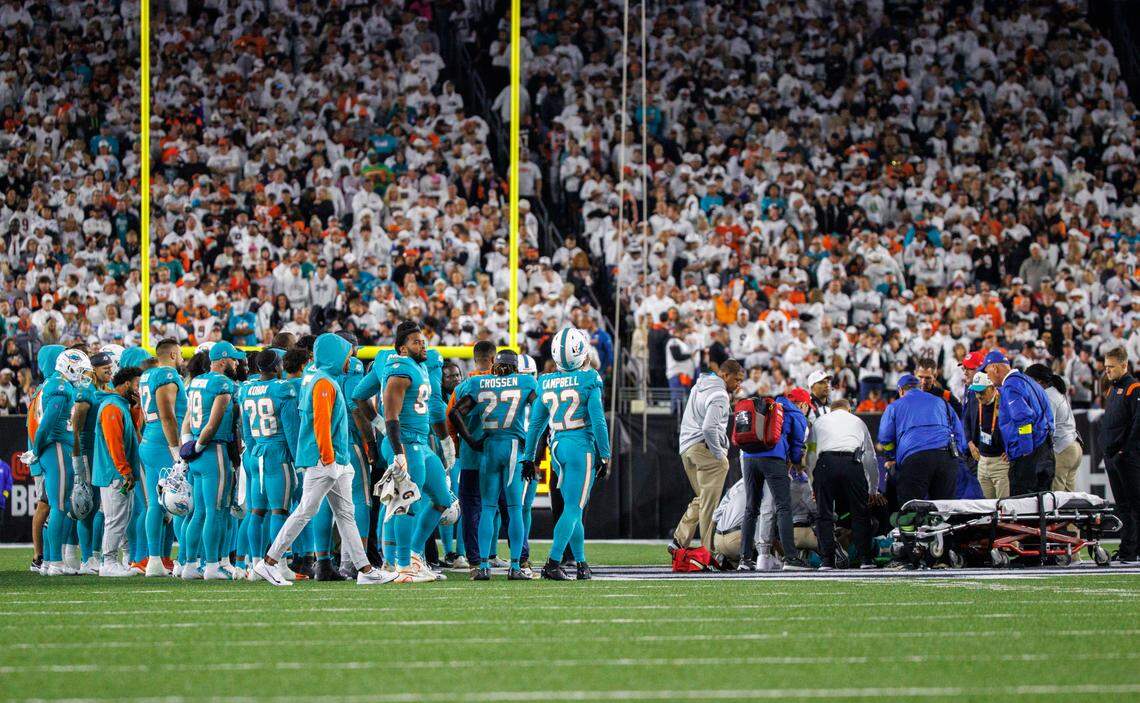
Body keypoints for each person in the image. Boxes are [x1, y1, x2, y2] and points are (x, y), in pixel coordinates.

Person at [253, 333, 393, 586]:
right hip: (325, 459)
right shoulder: (323, 382)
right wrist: (328, 458)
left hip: (334, 458)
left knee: (345, 514)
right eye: (347, 356)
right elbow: (321, 422)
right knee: (306, 510)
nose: (350, 361)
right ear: (334, 356)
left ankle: (365, 569)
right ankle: (269, 562)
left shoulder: (320, 378)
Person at [522, 327, 611, 581]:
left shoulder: (545, 380)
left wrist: (529, 457)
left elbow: (536, 425)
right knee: (573, 508)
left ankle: (581, 562)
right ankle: (553, 562)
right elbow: (598, 420)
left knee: (572, 505)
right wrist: (605, 454)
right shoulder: (590, 378)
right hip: (580, 445)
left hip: (557, 445)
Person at [449, 349, 539, 580]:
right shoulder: (526, 381)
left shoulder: (479, 382)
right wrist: (532, 448)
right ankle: (517, 566)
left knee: (488, 509)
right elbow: (539, 410)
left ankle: (484, 567)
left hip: (488, 447)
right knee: (514, 509)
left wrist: (471, 440)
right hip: (512, 448)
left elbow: (456, 412)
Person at [378, 321, 452, 583]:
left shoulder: (420, 366)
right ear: (402, 348)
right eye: (416, 342)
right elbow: (390, 412)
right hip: (406, 443)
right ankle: (401, 566)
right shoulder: (400, 368)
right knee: (406, 502)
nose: (423, 345)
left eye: (423, 341)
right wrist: (398, 451)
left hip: (421, 442)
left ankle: (413, 555)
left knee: (444, 499)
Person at [180, 341, 245, 581]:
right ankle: (211, 565)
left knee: (198, 513)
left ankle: (188, 564)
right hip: (213, 451)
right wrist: (198, 446)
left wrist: (188, 445)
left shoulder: (196, 382)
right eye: (233, 359)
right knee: (215, 511)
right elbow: (213, 423)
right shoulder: (223, 384)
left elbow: (187, 419)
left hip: (197, 454)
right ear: (222, 360)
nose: (236, 363)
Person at [23, 347, 89, 576]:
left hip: (56, 447)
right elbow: (47, 424)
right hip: (57, 447)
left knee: (59, 506)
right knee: (59, 507)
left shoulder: (54, 385)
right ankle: (54, 562)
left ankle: (52, 562)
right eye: (80, 370)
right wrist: (38, 449)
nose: (82, 375)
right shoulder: (60, 387)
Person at [670, 359, 744, 554]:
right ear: (725, 375)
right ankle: (709, 552)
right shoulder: (720, 394)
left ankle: (679, 540)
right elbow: (709, 427)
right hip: (703, 447)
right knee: (710, 503)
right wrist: (719, 455)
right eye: (736, 379)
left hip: (687, 448)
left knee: (703, 498)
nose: (739, 385)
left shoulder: (700, 384)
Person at [240, 350, 300, 581]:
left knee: (256, 511)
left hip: (256, 452)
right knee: (279, 511)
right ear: (276, 367)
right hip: (277, 453)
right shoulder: (283, 389)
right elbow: (291, 431)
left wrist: (255, 449)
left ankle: (256, 565)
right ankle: (279, 563)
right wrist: (298, 460)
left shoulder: (246, 389)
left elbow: (246, 430)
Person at [738, 387, 811, 571]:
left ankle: (745, 559)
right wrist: (795, 462)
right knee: (783, 507)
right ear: (802, 404)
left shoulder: (769, 405)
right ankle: (791, 559)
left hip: (749, 457)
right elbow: (796, 448)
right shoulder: (796, 414)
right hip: (773, 459)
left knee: (751, 507)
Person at [441, 341, 495, 572]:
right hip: (498, 456)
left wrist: (459, 444)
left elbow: (450, 417)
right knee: (499, 507)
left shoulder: (466, 387)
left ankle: (475, 558)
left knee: (468, 506)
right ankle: (516, 561)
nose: (454, 379)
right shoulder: (504, 383)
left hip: (469, 454)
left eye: (456, 375)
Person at [809, 399, 880, 569]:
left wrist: (814, 484)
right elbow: (870, 457)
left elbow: (810, 455)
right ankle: (865, 560)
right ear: (849, 410)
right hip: (852, 463)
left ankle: (827, 561)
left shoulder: (819, 422)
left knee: (824, 514)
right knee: (860, 512)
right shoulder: (858, 421)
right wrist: (873, 489)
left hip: (825, 463)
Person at [878, 374, 967, 505]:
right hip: (947, 458)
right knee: (944, 509)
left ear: (901, 390)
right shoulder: (941, 402)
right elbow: (959, 431)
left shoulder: (894, 407)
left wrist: (893, 458)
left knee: (910, 509)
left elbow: (885, 439)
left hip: (915, 459)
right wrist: (957, 454)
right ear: (920, 387)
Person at [138, 339, 186, 577]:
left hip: (150, 438)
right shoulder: (167, 374)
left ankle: (156, 559)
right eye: (181, 356)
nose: (183, 361)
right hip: (163, 443)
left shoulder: (148, 375)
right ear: (174, 355)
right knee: (175, 500)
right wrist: (175, 449)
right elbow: (167, 414)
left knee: (155, 504)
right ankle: (168, 560)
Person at [91, 366, 143, 577]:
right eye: (138, 385)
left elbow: (134, 431)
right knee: (115, 519)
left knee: (122, 517)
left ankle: (115, 560)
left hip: (118, 472)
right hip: (114, 473)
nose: (140, 389)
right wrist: (125, 470)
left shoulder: (121, 404)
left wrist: (137, 407)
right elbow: (114, 443)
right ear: (128, 384)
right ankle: (108, 562)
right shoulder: (112, 406)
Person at [981, 351, 1055, 495]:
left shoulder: (1010, 386)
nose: (987, 376)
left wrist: (1025, 450)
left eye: (987, 371)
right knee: (1043, 505)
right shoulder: (1029, 381)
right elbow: (1049, 414)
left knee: (1023, 506)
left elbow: (1023, 419)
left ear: (995, 368)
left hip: (1029, 456)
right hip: (1045, 449)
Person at [71, 351, 114, 575]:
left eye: (110, 366)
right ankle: (87, 558)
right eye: (104, 367)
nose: (109, 369)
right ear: (93, 369)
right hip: (87, 451)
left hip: (101, 453)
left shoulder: (107, 391)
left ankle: (94, 556)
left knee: (100, 507)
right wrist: (77, 461)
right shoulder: (85, 392)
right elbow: (76, 429)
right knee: (87, 505)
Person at [1100, 347, 1140, 564]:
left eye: (1111, 367)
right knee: (1123, 505)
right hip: (1113, 455)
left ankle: (1130, 550)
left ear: (1124, 366)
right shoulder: (1113, 389)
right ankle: (1128, 548)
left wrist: (1126, 449)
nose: (1107, 371)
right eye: (1105, 367)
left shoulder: (1134, 388)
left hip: (1126, 456)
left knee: (1133, 504)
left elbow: (1137, 423)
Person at [1024, 364, 1081, 492]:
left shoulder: (1047, 396)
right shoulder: (1056, 391)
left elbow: (1048, 427)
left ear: (1038, 381)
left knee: (1056, 496)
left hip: (1062, 449)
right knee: (1068, 499)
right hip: (1073, 446)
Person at [963, 372, 1009, 499]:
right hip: (982, 461)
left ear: (992, 388)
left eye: (981, 392)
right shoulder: (974, 399)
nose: (978, 395)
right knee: (986, 508)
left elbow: (1019, 426)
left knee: (1003, 508)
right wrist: (970, 443)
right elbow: (966, 420)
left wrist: (1012, 449)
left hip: (1001, 462)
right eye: (976, 392)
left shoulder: (1005, 401)